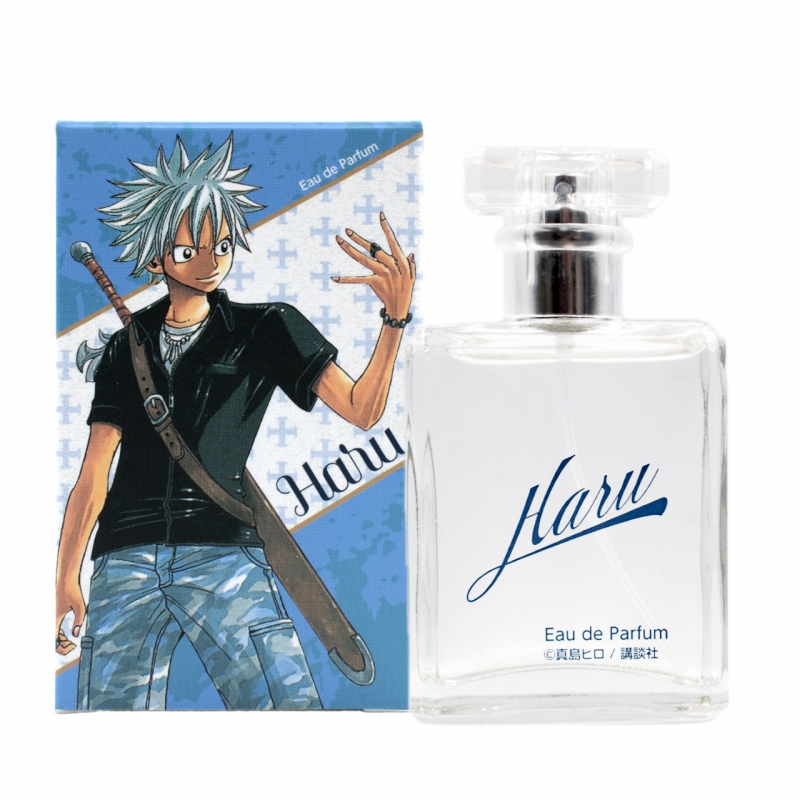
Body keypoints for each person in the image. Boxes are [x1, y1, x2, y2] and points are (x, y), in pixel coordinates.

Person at [55, 134, 415, 710]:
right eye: (188, 249)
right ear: (155, 259)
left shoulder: (266, 327)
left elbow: (362, 409)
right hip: (123, 559)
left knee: (287, 715)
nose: (210, 261)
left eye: (221, 243)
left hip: (223, 555)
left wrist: (394, 318)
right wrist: (66, 575)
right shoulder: (125, 348)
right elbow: (93, 474)